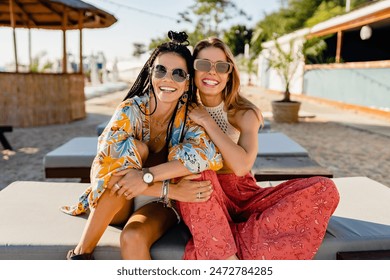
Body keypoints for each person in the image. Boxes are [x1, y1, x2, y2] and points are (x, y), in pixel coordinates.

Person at [175, 37, 340, 260]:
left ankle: (223, 238)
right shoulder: (181, 109)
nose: (212, 73)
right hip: (205, 194)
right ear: (192, 70)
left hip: (245, 196)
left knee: (324, 188)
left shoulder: (244, 112)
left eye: (221, 67)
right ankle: (228, 256)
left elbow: (242, 166)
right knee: (196, 171)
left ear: (229, 73)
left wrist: (206, 121)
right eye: (203, 64)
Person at [62, 31, 222, 260]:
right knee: (135, 152)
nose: (168, 79)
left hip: (161, 204)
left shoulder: (190, 117)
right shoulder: (130, 110)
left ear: (187, 83)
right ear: (151, 73)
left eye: (178, 74)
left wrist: (145, 176)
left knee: (133, 237)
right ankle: (80, 256)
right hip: (119, 199)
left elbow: (208, 156)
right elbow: (106, 173)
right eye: (161, 70)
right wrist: (171, 188)